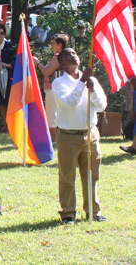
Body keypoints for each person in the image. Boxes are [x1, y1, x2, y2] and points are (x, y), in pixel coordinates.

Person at [52, 48, 107, 224]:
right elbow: (68, 103)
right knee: (67, 175)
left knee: (92, 173)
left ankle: (93, 211)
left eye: (74, 54)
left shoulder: (91, 80)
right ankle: (68, 213)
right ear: (61, 63)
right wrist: (81, 84)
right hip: (68, 135)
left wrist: (92, 90)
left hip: (90, 133)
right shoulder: (59, 83)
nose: (72, 56)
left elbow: (101, 106)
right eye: (67, 55)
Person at [33, 34, 69, 143]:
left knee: (51, 114)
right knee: (55, 113)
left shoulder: (58, 56)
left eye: (53, 43)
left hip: (53, 88)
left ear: (60, 45)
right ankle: (57, 138)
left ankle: (53, 139)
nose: (51, 46)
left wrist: (37, 62)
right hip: (57, 88)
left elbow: (48, 72)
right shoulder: (64, 56)